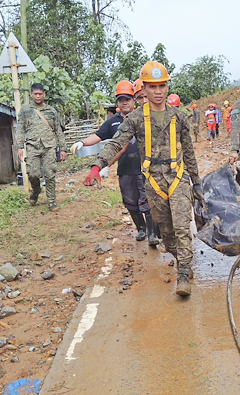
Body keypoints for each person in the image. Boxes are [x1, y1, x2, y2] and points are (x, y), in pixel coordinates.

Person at [83, 61, 203, 296]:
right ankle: (181, 258)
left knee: (181, 227)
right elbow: (117, 142)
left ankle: (183, 274)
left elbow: (188, 152)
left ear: (167, 87)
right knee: (166, 234)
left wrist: (196, 182)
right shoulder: (135, 119)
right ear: (144, 89)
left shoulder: (179, 117)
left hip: (177, 178)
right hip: (153, 182)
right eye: (152, 87)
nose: (158, 92)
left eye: (162, 86)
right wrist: (97, 166)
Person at [71, 81, 160, 247]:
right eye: (121, 99)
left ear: (134, 100)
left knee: (147, 202)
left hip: (145, 169)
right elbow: (98, 137)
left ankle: (153, 233)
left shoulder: (143, 117)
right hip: (125, 169)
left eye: (127, 98)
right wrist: (82, 142)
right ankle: (141, 228)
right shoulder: (113, 122)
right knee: (130, 202)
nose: (124, 102)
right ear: (118, 102)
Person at [17, 83, 67, 212]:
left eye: (40, 94)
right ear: (31, 94)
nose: (38, 96)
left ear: (44, 94)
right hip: (32, 146)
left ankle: (52, 202)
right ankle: (36, 190)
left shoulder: (51, 111)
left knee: (50, 173)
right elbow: (20, 130)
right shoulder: (25, 111)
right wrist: (20, 147)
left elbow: (58, 130)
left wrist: (63, 149)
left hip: (49, 146)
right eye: (35, 94)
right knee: (32, 174)